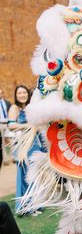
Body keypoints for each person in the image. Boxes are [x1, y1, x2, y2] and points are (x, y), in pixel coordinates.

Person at [8, 85, 45, 214]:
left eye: (24, 92)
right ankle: (26, 207)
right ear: (16, 95)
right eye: (19, 93)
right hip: (22, 145)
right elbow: (11, 125)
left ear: (28, 95)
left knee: (34, 174)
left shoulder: (31, 108)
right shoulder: (14, 108)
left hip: (34, 143)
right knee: (24, 174)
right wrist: (27, 126)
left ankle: (36, 204)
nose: (22, 95)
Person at [0, 89, 11, 168]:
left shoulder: (7, 103)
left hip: (8, 124)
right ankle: (5, 159)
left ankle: (13, 157)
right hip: (0, 125)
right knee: (3, 142)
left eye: (1, 93)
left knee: (11, 141)